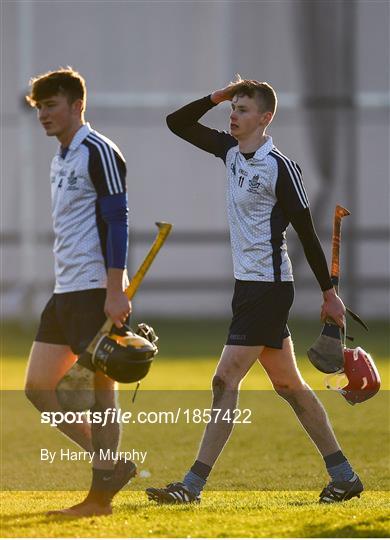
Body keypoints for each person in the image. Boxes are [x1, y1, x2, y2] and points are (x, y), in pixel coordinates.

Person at [146, 77, 363, 505]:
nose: (233, 115)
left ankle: (192, 486)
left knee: (224, 379)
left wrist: (328, 292)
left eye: (243, 110)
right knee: (290, 387)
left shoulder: (278, 165)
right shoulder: (229, 152)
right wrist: (217, 95)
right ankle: (345, 475)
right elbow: (177, 122)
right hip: (248, 287)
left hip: (269, 287)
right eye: (233, 108)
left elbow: (306, 231)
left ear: (265, 119)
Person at [24, 68, 135, 517]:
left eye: (51, 105)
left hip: (95, 290)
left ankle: (99, 499)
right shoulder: (60, 157)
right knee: (37, 389)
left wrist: (115, 289)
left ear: (77, 105)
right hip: (64, 290)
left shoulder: (99, 151)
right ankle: (108, 463)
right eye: (39, 108)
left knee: (99, 394)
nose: (44, 115)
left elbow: (118, 221)